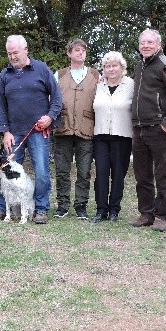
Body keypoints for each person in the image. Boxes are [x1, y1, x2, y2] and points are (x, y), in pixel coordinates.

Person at [0, 34, 62, 224]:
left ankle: (41, 209)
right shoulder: (4, 75)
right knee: (6, 172)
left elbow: (57, 98)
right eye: (9, 53)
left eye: (16, 52)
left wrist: (50, 117)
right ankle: (2, 208)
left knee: (42, 171)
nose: (12, 56)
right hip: (13, 133)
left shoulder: (42, 69)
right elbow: (1, 105)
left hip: (38, 132)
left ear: (26, 50)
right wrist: (5, 131)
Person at [130, 28, 166, 232]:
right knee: (141, 174)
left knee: (162, 173)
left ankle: (161, 215)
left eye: (150, 42)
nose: (145, 45)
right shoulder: (139, 66)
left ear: (159, 45)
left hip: (158, 128)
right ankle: (146, 213)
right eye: (142, 42)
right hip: (138, 128)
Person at [52, 38, 99, 220]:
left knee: (84, 170)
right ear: (69, 53)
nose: (81, 53)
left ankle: (81, 206)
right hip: (63, 128)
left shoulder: (96, 75)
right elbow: (51, 98)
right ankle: (62, 205)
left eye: (83, 50)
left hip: (86, 129)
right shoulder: (59, 75)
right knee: (62, 170)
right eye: (77, 50)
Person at [91, 51, 134, 223]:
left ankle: (114, 210)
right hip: (100, 136)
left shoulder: (131, 85)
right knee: (101, 174)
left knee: (118, 175)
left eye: (114, 65)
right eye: (107, 66)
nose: (111, 69)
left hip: (122, 136)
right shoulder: (98, 85)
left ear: (122, 67)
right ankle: (101, 210)